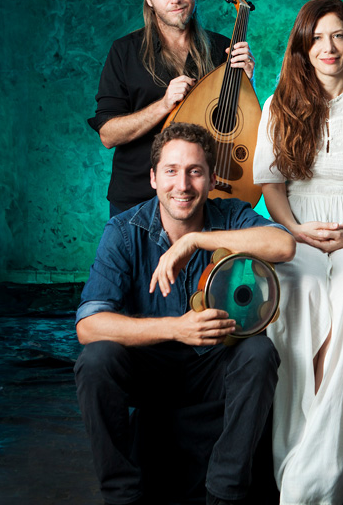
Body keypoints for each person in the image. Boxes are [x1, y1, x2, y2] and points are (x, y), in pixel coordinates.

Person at [75, 122, 295, 505]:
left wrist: (196, 241)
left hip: (214, 366)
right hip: (150, 368)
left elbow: (283, 244)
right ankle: (122, 495)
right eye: (171, 171)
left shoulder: (230, 216)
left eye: (195, 172)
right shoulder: (124, 231)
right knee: (95, 360)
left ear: (211, 180)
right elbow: (89, 325)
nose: (183, 184)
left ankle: (224, 493)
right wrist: (176, 328)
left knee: (259, 353)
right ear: (153, 178)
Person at [253, 0, 343, 504]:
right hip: (299, 231)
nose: (328, 47)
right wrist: (296, 229)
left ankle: (327, 461)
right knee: (305, 292)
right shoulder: (278, 103)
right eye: (317, 37)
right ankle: (298, 446)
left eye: (338, 35)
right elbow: (271, 185)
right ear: (303, 45)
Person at [88, 0, 256, 217]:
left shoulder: (224, 47)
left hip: (204, 200)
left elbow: (237, 127)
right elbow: (108, 135)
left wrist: (248, 85)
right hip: (137, 201)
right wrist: (164, 104)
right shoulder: (123, 52)